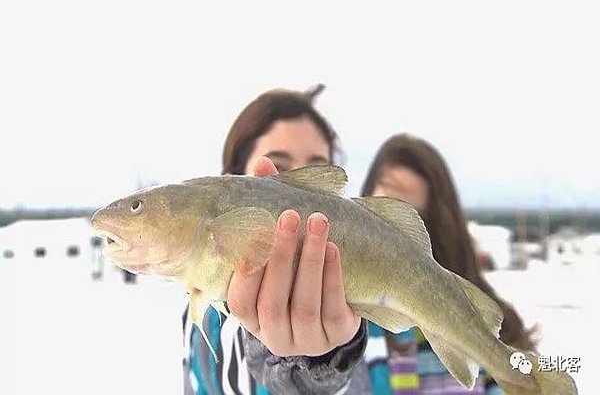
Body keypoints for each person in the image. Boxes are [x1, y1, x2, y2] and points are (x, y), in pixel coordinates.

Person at [182, 85, 371, 395]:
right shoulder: (201, 314)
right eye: (279, 171)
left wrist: (326, 356)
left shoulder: (359, 311)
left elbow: (349, 377)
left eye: (314, 169)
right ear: (231, 178)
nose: (295, 193)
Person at [358, 133, 538, 394]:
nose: (398, 239)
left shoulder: (490, 325)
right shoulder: (349, 329)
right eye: (386, 214)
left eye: (416, 219)